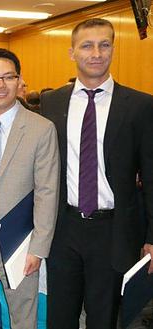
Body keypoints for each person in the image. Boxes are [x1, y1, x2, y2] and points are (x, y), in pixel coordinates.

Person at [41, 18, 153, 329]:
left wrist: (152, 237)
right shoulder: (52, 102)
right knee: (59, 318)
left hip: (113, 231)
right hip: (63, 229)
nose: (96, 53)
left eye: (104, 45)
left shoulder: (140, 106)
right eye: (87, 45)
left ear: (113, 49)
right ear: (71, 52)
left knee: (103, 319)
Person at [0, 48, 60, 329]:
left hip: (20, 241)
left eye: (8, 77)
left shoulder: (41, 129)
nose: (0, 85)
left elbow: (47, 191)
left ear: (19, 81)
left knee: (23, 319)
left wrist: (38, 248)